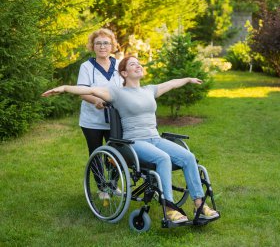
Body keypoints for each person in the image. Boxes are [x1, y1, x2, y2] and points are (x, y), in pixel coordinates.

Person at [42, 56, 219, 223]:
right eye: (132, 64)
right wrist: (64, 88)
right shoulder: (116, 92)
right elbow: (89, 90)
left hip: (155, 138)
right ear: (124, 73)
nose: (138, 65)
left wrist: (188, 79)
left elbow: (172, 84)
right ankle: (170, 208)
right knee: (163, 158)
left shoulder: (149, 90)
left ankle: (199, 205)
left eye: (139, 63)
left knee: (188, 157)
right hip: (134, 142)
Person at [77, 29, 124, 199]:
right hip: (92, 120)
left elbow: (127, 87)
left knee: (117, 153)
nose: (102, 46)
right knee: (96, 153)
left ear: (112, 45)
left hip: (116, 118)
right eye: (98, 43)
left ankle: (113, 184)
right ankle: (102, 188)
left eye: (106, 43)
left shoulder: (120, 65)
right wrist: (95, 100)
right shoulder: (87, 67)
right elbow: (83, 92)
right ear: (93, 46)